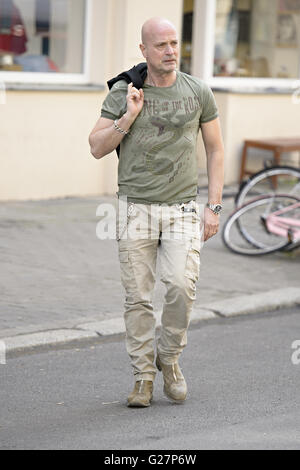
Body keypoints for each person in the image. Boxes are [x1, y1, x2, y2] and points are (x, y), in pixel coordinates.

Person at [89, 17, 224, 407]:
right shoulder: (124, 91)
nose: (170, 51)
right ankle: (143, 377)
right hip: (135, 209)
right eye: (160, 45)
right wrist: (127, 117)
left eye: (174, 43)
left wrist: (213, 206)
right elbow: (96, 147)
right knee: (138, 298)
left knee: (182, 287)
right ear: (143, 51)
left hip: (183, 208)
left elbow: (215, 149)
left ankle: (170, 358)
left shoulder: (198, 90)